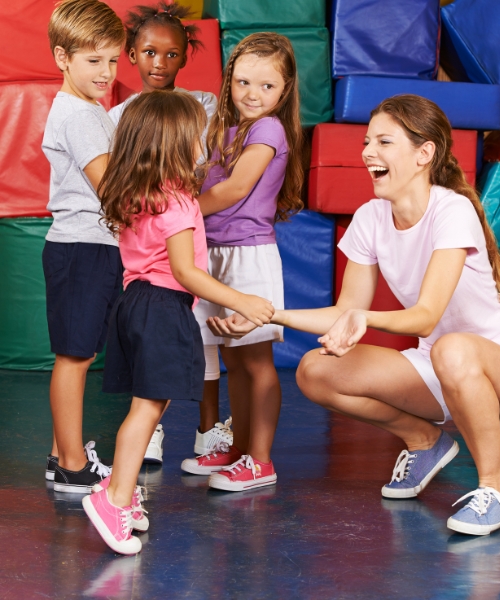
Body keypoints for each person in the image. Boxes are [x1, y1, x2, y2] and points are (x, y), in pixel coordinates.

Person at [209, 94, 500, 535]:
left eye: (384, 142)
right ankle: (424, 440)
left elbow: (425, 317)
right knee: (315, 370)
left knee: (452, 348)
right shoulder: (370, 216)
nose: (368, 152)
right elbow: (346, 311)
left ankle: (497, 491)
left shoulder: (452, 210)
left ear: (424, 154)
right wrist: (270, 315)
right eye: (367, 142)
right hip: (439, 366)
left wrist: (366, 320)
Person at [82, 90, 274, 555]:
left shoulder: (137, 193)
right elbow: (187, 272)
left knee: (149, 406)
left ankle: (119, 494)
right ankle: (114, 500)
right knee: (147, 409)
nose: (204, 145)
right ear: (176, 142)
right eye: (198, 136)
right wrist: (242, 300)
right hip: (163, 306)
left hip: (133, 303)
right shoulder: (179, 200)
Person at [179, 32, 304, 492]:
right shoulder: (227, 130)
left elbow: (234, 190)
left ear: (285, 90)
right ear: (230, 79)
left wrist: (179, 209)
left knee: (256, 361)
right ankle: (240, 449)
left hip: (248, 255)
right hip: (215, 250)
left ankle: (262, 459)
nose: (253, 95)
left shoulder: (268, 130)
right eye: (244, 82)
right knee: (234, 358)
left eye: (266, 87)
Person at [107, 0, 225, 465]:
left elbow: (205, 172)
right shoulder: (124, 118)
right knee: (156, 372)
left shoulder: (202, 106)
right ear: (132, 55)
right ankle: (128, 474)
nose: (160, 63)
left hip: (175, 254)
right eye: (150, 52)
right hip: (164, 267)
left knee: (194, 348)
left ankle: (203, 431)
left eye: (172, 54)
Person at [42, 0, 125, 493]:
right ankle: (73, 465)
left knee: (81, 353)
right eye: (93, 60)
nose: (106, 72)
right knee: (74, 357)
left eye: (113, 60)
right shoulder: (78, 115)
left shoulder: (90, 110)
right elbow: (111, 187)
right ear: (62, 57)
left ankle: (61, 455)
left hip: (93, 246)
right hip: (83, 247)